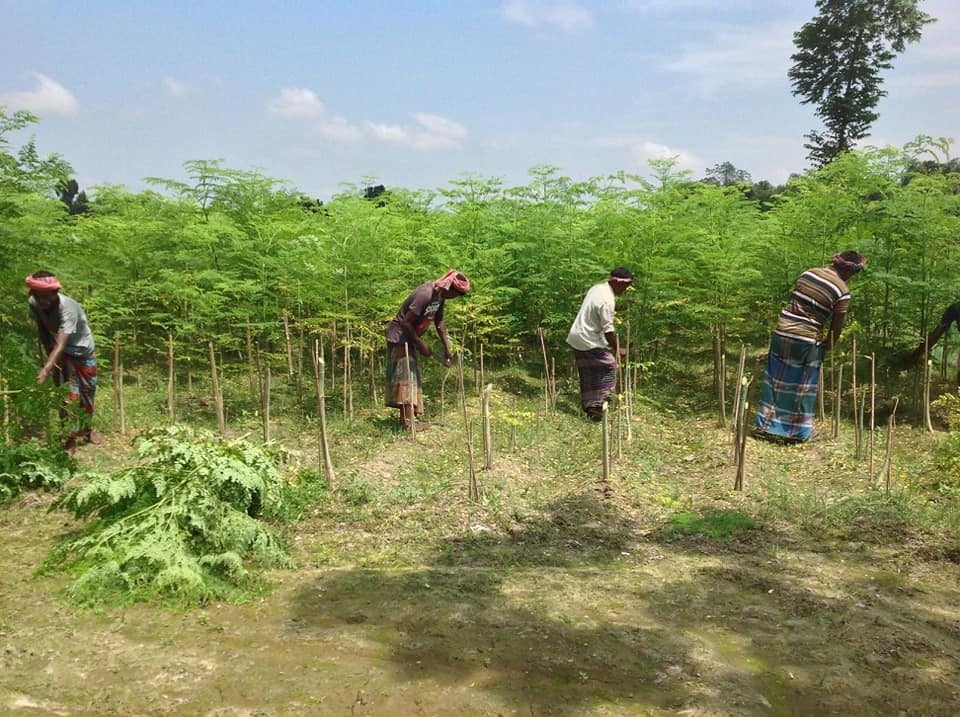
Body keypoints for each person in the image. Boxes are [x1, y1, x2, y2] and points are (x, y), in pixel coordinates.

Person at [753, 251, 867, 444]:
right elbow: (836, 325)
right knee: (803, 387)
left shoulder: (808, 274)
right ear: (849, 271)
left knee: (775, 380)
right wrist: (829, 344)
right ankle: (798, 432)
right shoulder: (842, 291)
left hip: (782, 332)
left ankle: (763, 426)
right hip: (807, 339)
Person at [26, 271, 101, 453]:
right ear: (33, 294)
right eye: (38, 296)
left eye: (46, 296)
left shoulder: (68, 308)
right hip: (60, 354)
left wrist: (45, 369)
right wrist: (47, 352)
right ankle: (69, 438)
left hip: (82, 352)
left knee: (87, 393)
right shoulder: (34, 303)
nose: (42, 300)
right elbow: (42, 329)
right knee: (65, 397)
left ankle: (87, 430)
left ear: (55, 293)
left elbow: (62, 342)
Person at [385, 269, 470, 430]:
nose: (453, 297)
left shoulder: (440, 296)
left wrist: (447, 347)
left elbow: (439, 322)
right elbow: (405, 323)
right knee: (407, 377)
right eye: (454, 294)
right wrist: (420, 343)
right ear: (449, 287)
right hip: (400, 338)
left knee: (412, 376)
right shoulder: (425, 294)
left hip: (410, 338)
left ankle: (407, 421)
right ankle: (408, 424)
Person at [566, 267, 634, 421]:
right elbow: (608, 329)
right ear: (615, 282)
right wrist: (618, 349)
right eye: (624, 285)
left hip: (578, 336)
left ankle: (591, 407)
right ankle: (601, 403)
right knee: (609, 366)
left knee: (589, 371)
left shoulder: (598, 288)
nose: (625, 289)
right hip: (587, 339)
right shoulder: (606, 300)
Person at [902, 302, 960, 371]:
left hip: (955, 309)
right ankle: (911, 358)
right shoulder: (955, 309)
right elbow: (935, 335)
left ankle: (912, 358)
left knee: (936, 333)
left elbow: (935, 335)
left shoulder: (955, 308)